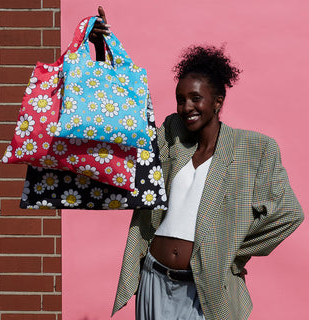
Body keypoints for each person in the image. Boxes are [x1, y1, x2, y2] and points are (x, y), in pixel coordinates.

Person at [90, 6, 304, 320]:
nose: (186, 106)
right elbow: (121, 125)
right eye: (180, 98)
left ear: (218, 101)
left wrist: (232, 254)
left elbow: (289, 214)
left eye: (195, 98)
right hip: (153, 278)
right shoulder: (171, 135)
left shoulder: (254, 149)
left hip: (204, 291)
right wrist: (101, 51)